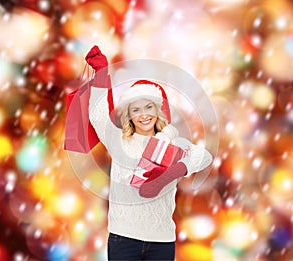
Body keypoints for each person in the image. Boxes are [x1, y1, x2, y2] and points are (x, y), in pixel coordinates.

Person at [87, 46, 213, 260]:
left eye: (149, 108)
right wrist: (100, 75)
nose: (143, 115)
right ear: (129, 115)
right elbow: (98, 116)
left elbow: (204, 156)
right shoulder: (118, 140)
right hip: (123, 238)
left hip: (161, 241)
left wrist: (169, 174)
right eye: (135, 109)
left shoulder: (173, 143)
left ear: (159, 110)